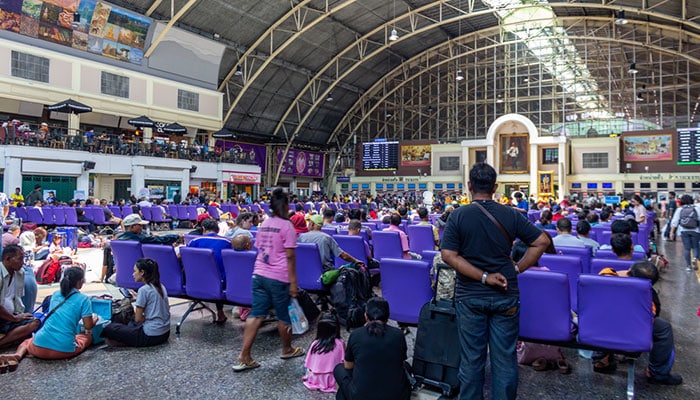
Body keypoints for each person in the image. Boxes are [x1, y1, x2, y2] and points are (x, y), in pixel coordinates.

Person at [440, 162, 550, 400]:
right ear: (496, 187)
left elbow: (447, 255)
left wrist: (482, 277)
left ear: (469, 186)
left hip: (470, 296)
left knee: (471, 361)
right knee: (505, 359)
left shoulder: (458, 215)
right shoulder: (511, 214)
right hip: (505, 294)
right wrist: (518, 268)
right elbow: (541, 241)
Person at [234, 188, 304, 372]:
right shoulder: (287, 226)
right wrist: (294, 283)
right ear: (285, 206)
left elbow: (260, 247)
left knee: (256, 314)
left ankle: (244, 356)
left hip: (259, 275)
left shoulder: (264, 224)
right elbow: (290, 256)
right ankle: (287, 349)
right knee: (283, 316)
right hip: (278, 277)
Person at [593, 260, 682, 385]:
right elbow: (649, 320)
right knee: (663, 327)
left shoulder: (604, 276)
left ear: (628, 271)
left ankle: (600, 359)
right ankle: (657, 373)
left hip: (595, 327)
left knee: (601, 318)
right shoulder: (649, 299)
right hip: (629, 332)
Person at [4, 267, 95, 367]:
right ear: (81, 281)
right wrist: (95, 319)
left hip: (38, 347)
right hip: (63, 350)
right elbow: (88, 326)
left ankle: (18, 354)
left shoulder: (55, 295)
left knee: (27, 342)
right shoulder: (84, 299)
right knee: (86, 337)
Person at [333, 297, 411, 400]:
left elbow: (348, 366)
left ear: (366, 316)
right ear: (387, 317)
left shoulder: (356, 334)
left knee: (339, 369)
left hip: (360, 396)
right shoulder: (398, 334)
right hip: (396, 396)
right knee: (408, 367)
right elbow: (401, 363)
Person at [101, 258, 171, 347]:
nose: (133, 274)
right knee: (131, 323)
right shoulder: (161, 286)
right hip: (164, 333)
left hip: (150, 336)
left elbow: (138, 318)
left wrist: (150, 318)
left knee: (110, 328)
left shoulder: (143, 290)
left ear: (142, 272)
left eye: (135, 271)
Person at [187, 218, 231, 323]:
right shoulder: (227, 242)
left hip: (194, 282)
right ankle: (220, 312)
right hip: (222, 283)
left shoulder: (193, 241)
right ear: (217, 229)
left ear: (203, 229)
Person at [0, 245, 41, 348]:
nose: (22, 262)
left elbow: (17, 298)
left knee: (36, 323)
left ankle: (5, 341)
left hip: (11, 317)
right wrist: (14, 318)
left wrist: (19, 316)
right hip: (6, 317)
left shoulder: (20, 273)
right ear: (8, 259)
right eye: (20, 259)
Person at [303, 312, 345, 393]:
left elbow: (308, 363)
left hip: (315, 378)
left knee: (305, 368)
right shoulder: (340, 343)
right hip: (332, 379)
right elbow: (344, 361)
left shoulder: (315, 344)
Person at [669, 194, 700, 271]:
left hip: (684, 230)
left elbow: (675, 222)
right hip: (695, 230)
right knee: (695, 247)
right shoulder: (696, 208)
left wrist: (671, 232)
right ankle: (695, 258)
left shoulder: (680, 209)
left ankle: (688, 266)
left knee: (687, 249)